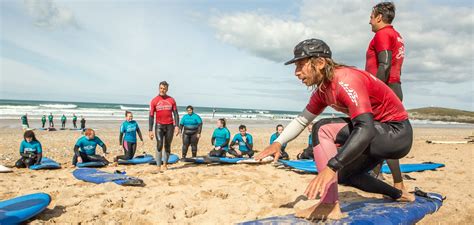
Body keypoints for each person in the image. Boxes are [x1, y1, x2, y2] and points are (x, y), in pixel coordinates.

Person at [255, 39, 414, 220]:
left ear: (320, 63)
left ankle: (329, 204)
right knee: (346, 175)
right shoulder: (323, 90)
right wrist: (278, 143)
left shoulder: (345, 79)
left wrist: (331, 166)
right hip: (381, 135)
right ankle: (399, 195)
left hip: (396, 133)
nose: (296, 72)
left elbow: (365, 128)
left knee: (322, 128)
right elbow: (302, 119)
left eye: (301, 65)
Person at [366, 2, 406, 190]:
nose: (369, 21)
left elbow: (385, 64)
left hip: (384, 89)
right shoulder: (396, 35)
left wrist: (375, 90)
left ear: (379, 17)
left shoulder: (382, 34)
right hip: (394, 87)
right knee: (381, 136)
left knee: (386, 138)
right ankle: (375, 175)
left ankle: (398, 184)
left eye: (372, 16)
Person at [149, 81, 179, 171]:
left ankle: (165, 164)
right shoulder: (154, 100)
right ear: (159, 88)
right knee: (159, 144)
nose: (162, 90)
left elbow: (176, 114)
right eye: (161, 88)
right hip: (159, 125)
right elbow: (151, 115)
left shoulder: (171, 100)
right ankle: (158, 166)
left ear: (167, 89)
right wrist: (150, 130)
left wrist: (177, 126)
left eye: (164, 89)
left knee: (167, 145)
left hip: (170, 125)